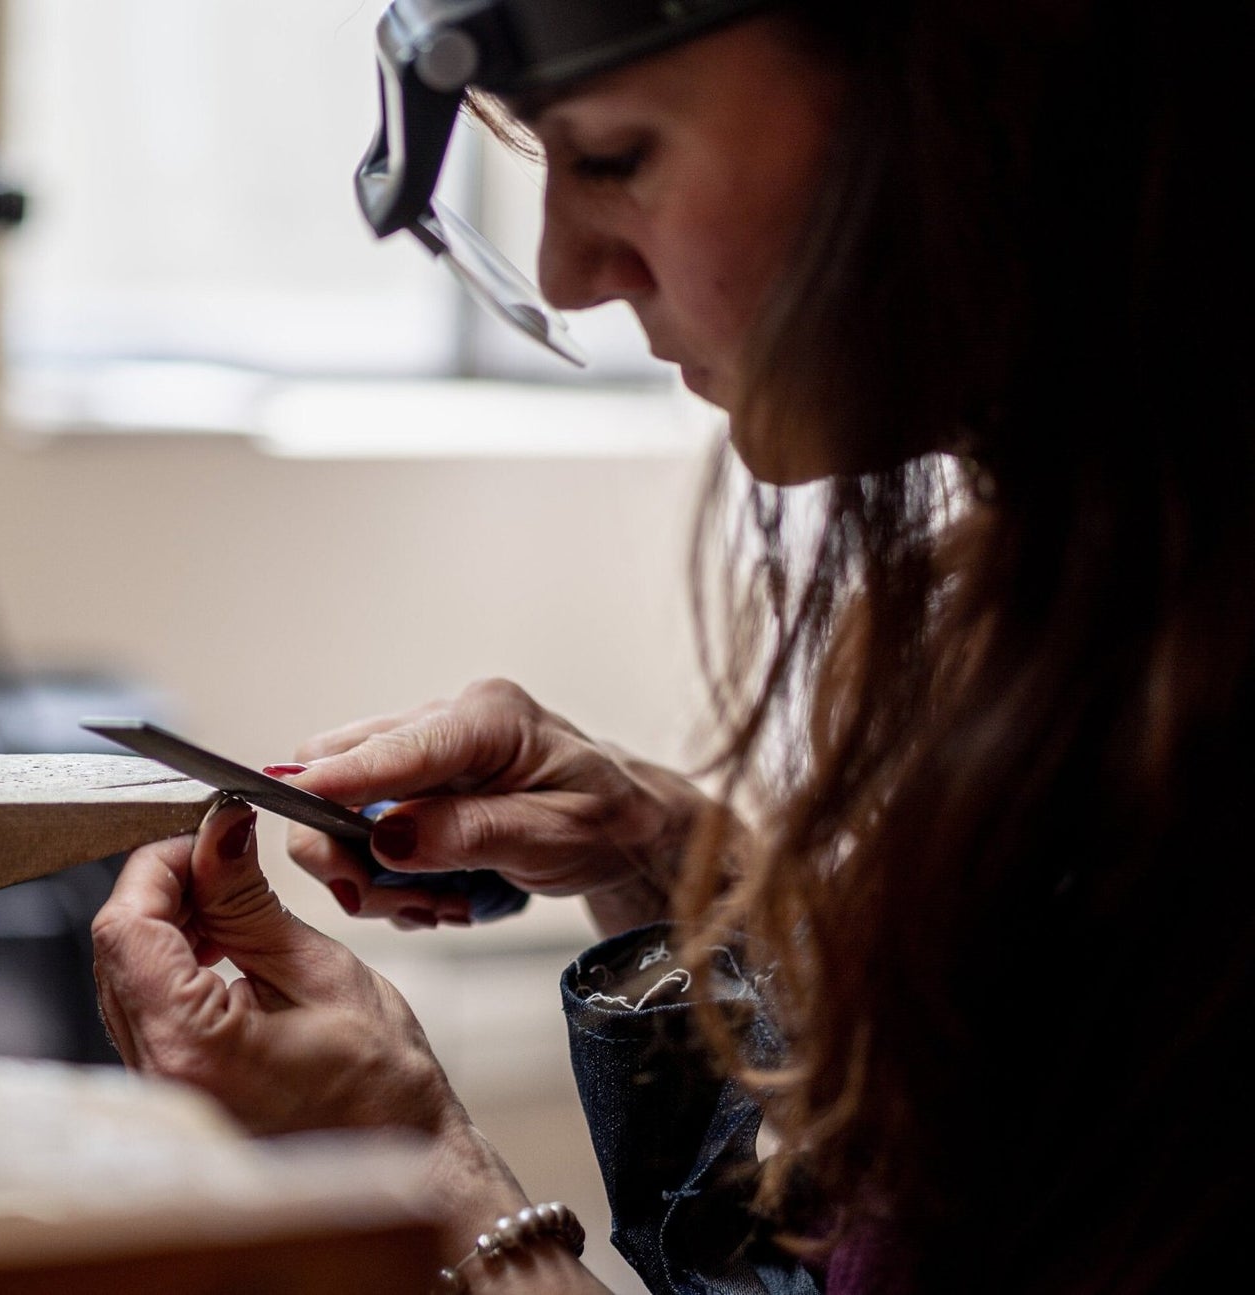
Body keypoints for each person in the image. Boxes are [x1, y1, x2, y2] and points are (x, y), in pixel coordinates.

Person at [92, 2, 1255, 1291]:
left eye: (611, 157)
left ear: (972, 102)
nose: (568, 271)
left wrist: (406, 1160)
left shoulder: (1200, 775)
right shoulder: (1101, 599)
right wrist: (667, 859)